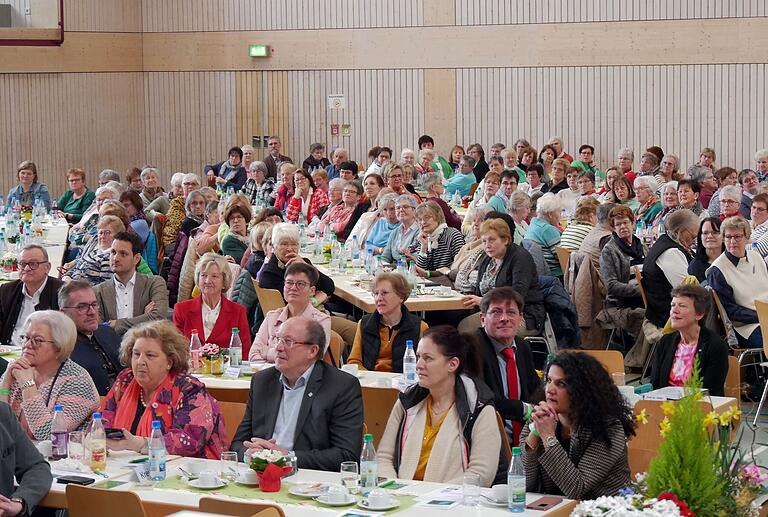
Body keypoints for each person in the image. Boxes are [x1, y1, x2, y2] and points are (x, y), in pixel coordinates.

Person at [232, 317, 364, 470]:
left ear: (312, 351)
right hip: (260, 473)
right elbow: (237, 444)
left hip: (307, 479)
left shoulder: (341, 387)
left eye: (288, 341)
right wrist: (250, 453)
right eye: (277, 339)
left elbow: (346, 456)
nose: (278, 348)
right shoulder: (262, 381)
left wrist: (287, 457)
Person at [377, 326, 501, 486]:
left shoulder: (479, 408)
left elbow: (481, 474)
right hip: (402, 499)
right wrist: (395, 489)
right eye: (418, 356)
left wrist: (432, 496)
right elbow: (383, 457)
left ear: (452, 364)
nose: (419, 365)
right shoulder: (407, 401)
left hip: (451, 505)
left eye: (428, 358)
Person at [101, 321, 227, 458]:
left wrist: (139, 444)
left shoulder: (190, 390)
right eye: (136, 354)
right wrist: (100, 437)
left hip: (187, 471)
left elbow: (188, 443)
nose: (140, 362)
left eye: (150, 355)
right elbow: (100, 421)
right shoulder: (125, 381)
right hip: (126, 466)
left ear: (169, 362)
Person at [521, 351, 635, 499]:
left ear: (582, 390)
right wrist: (535, 434)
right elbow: (522, 484)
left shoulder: (608, 429)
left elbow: (576, 488)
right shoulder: (540, 418)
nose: (549, 390)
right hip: (555, 510)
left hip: (603, 510)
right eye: (548, 380)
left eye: (560, 384)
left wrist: (548, 437)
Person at [0, 311, 99, 440]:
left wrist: (27, 385)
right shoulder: (18, 369)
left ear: (59, 347)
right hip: (16, 455)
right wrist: (5, 384)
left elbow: (49, 436)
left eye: (37, 340)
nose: (27, 345)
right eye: (26, 338)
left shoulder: (77, 380)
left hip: (60, 458)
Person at [473, 288, 540, 446]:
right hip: (489, 441)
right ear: (482, 319)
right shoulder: (472, 348)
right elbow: (482, 399)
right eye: (496, 312)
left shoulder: (523, 347)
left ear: (520, 318)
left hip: (526, 439)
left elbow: (534, 389)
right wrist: (526, 410)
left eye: (511, 312)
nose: (504, 318)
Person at [650, 285, 728, 396]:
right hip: (665, 406)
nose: (674, 311)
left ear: (699, 314)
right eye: (673, 305)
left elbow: (711, 390)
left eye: (682, 306)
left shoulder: (715, 345)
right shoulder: (666, 341)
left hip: (698, 407)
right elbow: (655, 383)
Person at [173, 253, 252, 358]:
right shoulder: (182, 309)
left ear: (224, 281)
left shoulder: (238, 312)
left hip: (226, 372)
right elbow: (176, 350)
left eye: (214, 276)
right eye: (203, 275)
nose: (207, 281)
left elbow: (244, 353)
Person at [250, 262, 332, 363]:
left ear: (312, 290)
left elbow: (310, 359)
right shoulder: (272, 316)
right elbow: (253, 355)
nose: (293, 288)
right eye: (289, 283)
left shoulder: (321, 321)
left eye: (300, 284)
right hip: (269, 375)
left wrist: (268, 353)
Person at [707, 216, 768, 349]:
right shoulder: (717, 270)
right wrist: (763, 316)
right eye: (728, 237)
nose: (732, 241)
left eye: (737, 236)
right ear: (723, 238)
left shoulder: (756, 257)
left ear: (747, 238)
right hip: (747, 327)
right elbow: (731, 311)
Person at [348, 273, 428, 372]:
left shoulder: (419, 327)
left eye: (384, 293)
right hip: (370, 382)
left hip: (403, 384)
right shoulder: (364, 324)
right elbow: (354, 361)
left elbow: (425, 364)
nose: (379, 299)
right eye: (376, 293)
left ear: (401, 297)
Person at [94, 232, 169, 335]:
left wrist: (115, 324)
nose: (115, 258)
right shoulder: (97, 291)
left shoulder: (154, 283)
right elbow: (99, 330)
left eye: (123, 254)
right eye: (113, 252)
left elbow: (158, 318)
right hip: (111, 348)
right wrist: (144, 319)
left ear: (136, 259)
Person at [61, 281, 122, 396]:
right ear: (63, 313)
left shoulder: (108, 333)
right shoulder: (58, 347)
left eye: (94, 304)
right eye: (82, 307)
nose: (92, 312)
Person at [642, 209, 699, 330]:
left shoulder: (665, 241)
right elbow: (689, 290)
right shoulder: (671, 253)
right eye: (693, 236)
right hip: (667, 315)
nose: (694, 242)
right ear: (682, 232)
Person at [0, 244, 63, 347]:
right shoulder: (6, 291)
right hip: (10, 351)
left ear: (47, 267)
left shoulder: (61, 292)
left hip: (45, 354)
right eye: (22, 264)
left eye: (33, 264)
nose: (27, 268)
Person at [599, 205, 646, 339]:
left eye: (625, 222)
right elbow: (611, 286)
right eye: (618, 224)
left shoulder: (640, 244)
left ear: (633, 223)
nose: (622, 227)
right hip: (624, 300)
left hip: (645, 294)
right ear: (613, 228)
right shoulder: (609, 250)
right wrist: (640, 291)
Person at [62, 215, 126, 285]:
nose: (102, 236)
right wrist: (67, 275)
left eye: (107, 233)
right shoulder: (95, 248)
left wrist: (73, 284)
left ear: (118, 235)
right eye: (100, 233)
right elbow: (79, 266)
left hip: (81, 292)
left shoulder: (111, 258)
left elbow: (103, 288)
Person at [413, 201, 465, 277]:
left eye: (427, 217)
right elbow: (420, 270)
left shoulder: (452, 235)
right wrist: (423, 247)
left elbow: (460, 266)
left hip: (449, 282)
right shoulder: (422, 238)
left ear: (438, 217)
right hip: (429, 283)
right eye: (420, 219)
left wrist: (434, 273)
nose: (423, 222)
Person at [525, 193, 563, 277]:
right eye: (559, 212)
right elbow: (562, 258)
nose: (560, 216)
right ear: (550, 214)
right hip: (556, 275)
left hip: (539, 274)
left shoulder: (533, 224)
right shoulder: (547, 229)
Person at [381, 194, 420, 263]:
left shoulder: (419, 231)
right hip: (393, 270)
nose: (401, 210)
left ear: (414, 210)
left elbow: (414, 257)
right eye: (398, 208)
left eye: (405, 207)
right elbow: (385, 256)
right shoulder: (395, 232)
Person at [578, 202, 615, 268]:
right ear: (612, 219)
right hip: (598, 276)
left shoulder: (595, 230)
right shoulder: (607, 238)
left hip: (585, 274)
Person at [688, 217, 724, 282]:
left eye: (715, 232)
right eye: (705, 233)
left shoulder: (732, 260)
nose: (709, 236)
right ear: (700, 237)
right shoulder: (695, 266)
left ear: (724, 236)